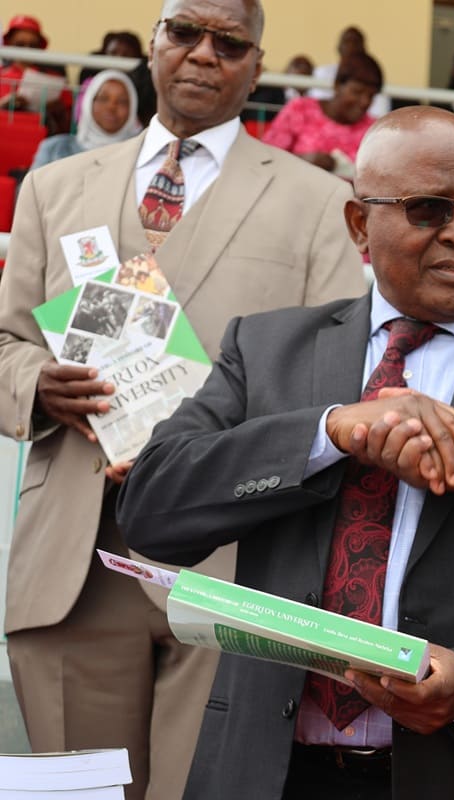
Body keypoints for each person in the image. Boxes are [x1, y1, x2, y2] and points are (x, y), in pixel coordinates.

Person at [115, 106, 454, 800]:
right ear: (360, 225)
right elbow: (152, 509)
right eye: (428, 209)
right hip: (269, 773)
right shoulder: (267, 348)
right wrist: (329, 431)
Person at [0, 0, 365, 797]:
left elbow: (336, 381)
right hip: (74, 560)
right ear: (155, 44)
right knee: (80, 794)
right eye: (185, 33)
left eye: (229, 42)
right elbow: (4, 342)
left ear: (257, 66)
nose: (204, 54)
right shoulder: (56, 185)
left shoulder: (314, 202)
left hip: (232, 566)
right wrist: (37, 383)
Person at [263, 52, 383, 174]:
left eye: (371, 96)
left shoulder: (372, 131)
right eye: (357, 92)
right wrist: (303, 161)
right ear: (337, 85)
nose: (365, 102)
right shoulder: (300, 109)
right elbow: (267, 157)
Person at [32, 70, 141, 169]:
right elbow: (31, 190)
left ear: (132, 108)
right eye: (103, 99)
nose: (111, 107)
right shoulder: (54, 148)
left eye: (122, 101)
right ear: (89, 103)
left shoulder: (141, 154)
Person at [0, 15, 72, 133]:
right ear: (9, 43)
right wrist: (3, 105)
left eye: (32, 45)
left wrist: (58, 111)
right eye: (20, 44)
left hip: (42, 140)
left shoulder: (55, 80)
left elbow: (71, 123)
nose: (26, 50)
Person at [309, 26, 390, 120]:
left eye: (356, 42)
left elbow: (380, 115)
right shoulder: (322, 72)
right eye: (357, 92)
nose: (351, 46)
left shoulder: (373, 79)